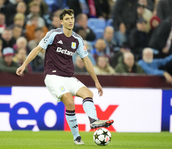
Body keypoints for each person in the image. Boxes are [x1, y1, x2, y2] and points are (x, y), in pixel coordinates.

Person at [16, 9, 114, 145]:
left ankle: (93, 121)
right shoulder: (53, 34)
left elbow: (86, 61)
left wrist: (96, 82)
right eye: (67, 19)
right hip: (53, 76)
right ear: (61, 21)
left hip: (69, 77)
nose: (70, 21)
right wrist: (24, 65)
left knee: (88, 93)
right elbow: (38, 49)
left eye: (72, 18)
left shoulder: (78, 40)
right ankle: (76, 137)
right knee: (69, 100)